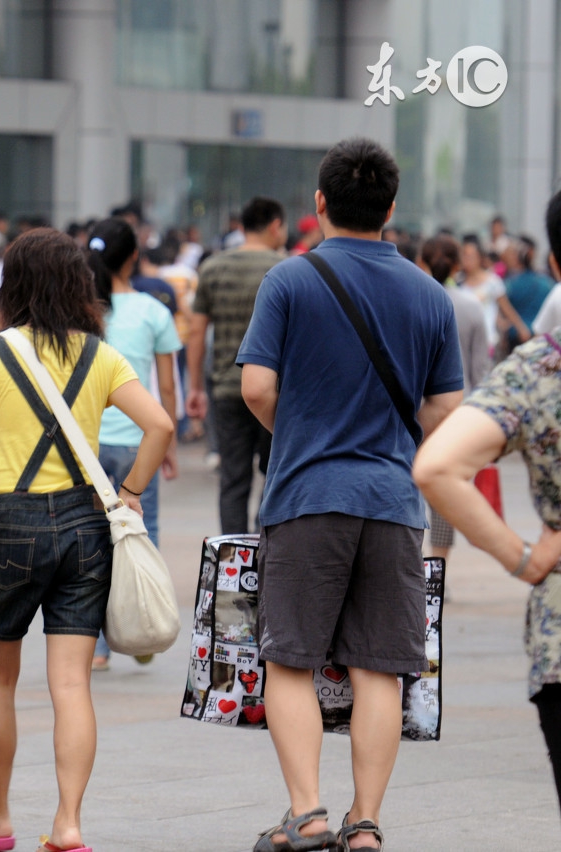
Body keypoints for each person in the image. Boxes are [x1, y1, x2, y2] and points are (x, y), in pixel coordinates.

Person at [236, 138, 463, 851]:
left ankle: (307, 813)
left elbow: (256, 388)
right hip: (394, 503)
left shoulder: (290, 281)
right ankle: (364, 823)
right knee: (379, 667)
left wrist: (301, 430)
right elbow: (447, 412)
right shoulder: (431, 294)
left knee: (291, 659)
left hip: (306, 494)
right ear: (392, 209)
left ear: (320, 204)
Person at [0, 227, 173, 852]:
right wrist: (132, 490)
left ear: (16, 286)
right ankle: (68, 824)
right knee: (71, 684)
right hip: (86, 527)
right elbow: (160, 424)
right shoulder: (101, 355)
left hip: (6, 524)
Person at [413, 191, 561, 812]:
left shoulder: (541, 371)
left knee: (440, 516)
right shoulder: (470, 303)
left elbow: (439, 466)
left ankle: (438, 561)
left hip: (560, 629)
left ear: (555, 262)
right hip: (475, 396)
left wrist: (522, 558)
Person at [86, 217, 180, 671]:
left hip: (87, 445)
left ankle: (98, 650)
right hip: (139, 442)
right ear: (134, 257)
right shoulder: (154, 310)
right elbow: (166, 386)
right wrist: (170, 444)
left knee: (90, 542)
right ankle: (142, 623)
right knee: (144, 531)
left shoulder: (84, 311)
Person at [188, 197, 286, 535]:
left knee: (233, 479)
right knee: (273, 476)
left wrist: (196, 387)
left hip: (226, 388)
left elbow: (197, 331)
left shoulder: (212, 268)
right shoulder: (285, 269)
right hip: (274, 391)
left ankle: (232, 566)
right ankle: (266, 553)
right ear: (276, 226)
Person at [416, 235, 489, 563]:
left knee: (410, 484)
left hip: (416, 411)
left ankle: (411, 560)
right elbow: (479, 370)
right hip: (459, 414)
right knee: (446, 491)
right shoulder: (472, 305)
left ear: (423, 263)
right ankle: (438, 569)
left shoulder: (413, 299)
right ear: (458, 266)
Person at [500, 236, 554, 355]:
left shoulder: (510, 284)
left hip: (515, 337)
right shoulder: (547, 283)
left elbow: (503, 312)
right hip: (541, 339)